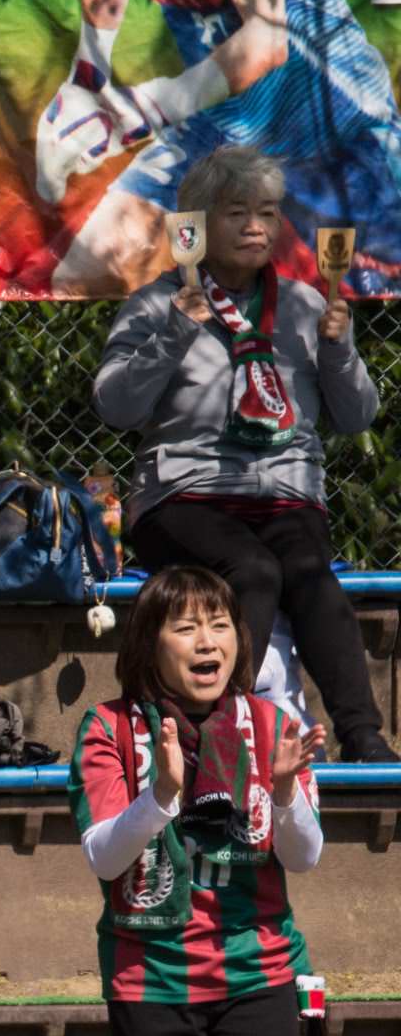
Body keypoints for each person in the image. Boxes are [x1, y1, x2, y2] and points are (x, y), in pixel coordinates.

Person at [94, 146, 393, 763]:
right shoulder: (157, 303)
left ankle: (365, 737)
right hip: (184, 495)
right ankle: (222, 736)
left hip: (285, 494)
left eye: (268, 212)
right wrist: (174, 333)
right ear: (199, 224)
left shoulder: (308, 305)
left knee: (311, 575)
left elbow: (357, 417)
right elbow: (115, 406)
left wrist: (339, 350)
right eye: (237, 213)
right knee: (252, 571)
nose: (257, 226)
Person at [67, 565, 322, 1036]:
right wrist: (160, 798)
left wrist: (286, 792)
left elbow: (304, 856)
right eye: (186, 628)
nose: (208, 642)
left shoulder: (272, 724)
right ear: (150, 643)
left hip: (259, 976)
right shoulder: (110, 727)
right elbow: (103, 857)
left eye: (219, 625)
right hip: (153, 981)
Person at [38, 0, 401, 296]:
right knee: (80, 277)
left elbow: (266, 41)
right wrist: (87, 77)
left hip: (332, 121)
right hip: (221, 123)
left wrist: (142, 110)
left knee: (378, 286)